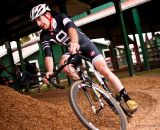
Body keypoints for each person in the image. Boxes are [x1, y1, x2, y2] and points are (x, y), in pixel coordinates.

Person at [30, 3, 138, 113]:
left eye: (39, 19)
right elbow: (48, 54)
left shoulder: (61, 18)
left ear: (48, 14)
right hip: (73, 50)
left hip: (84, 45)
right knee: (63, 64)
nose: (38, 23)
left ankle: (127, 98)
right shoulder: (44, 35)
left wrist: (75, 42)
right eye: (36, 21)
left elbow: (72, 29)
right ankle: (90, 86)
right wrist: (49, 71)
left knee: (103, 69)